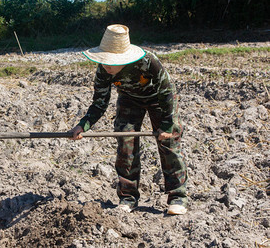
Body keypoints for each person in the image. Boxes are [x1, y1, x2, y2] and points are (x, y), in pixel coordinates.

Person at [70, 24, 188, 215]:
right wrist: (82, 125)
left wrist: (167, 124)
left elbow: (167, 92)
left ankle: (178, 197)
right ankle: (128, 197)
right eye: (104, 60)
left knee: (168, 143)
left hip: (158, 100)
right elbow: (99, 103)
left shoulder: (149, 61)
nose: (106, 65)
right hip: (129, 100)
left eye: (110, 61)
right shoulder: (103, 71)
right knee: (126, 142)